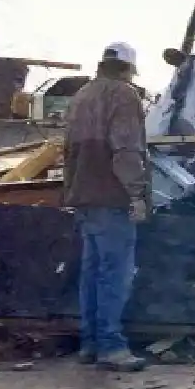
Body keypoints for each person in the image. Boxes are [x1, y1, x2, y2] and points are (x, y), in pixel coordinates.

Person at [63, 42, 150, 371]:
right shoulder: (124, 95)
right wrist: (137, 194)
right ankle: (111, 347)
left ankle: (90, 343)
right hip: (112, 197)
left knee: (92, 272)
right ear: (128, 69)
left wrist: (69, 193)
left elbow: (67, 150)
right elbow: (126, 150)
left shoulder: (81, 96)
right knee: (115, 274)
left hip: (83, 196)